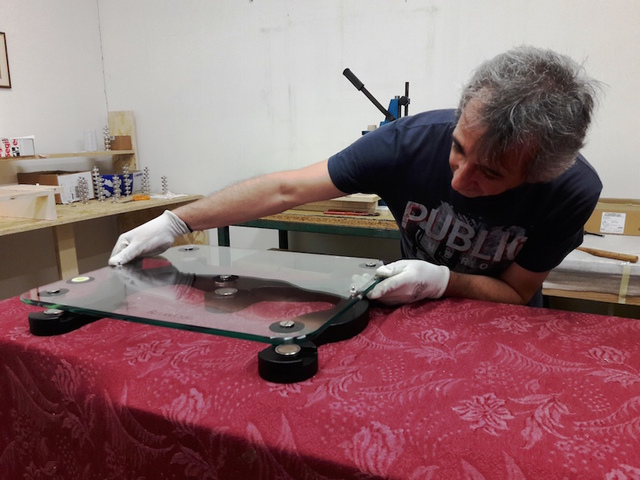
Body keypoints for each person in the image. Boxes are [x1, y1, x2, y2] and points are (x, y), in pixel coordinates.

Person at [109, 46, 602, 307]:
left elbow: (517, 293)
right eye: (458, 148)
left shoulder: (570, 190)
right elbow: (285, 189)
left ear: (540, 173)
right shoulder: (407, 142)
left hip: (501, 324)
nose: (459, 179)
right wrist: (178, 221)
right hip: (413, 311)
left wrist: (444, 281)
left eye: (489, 173)